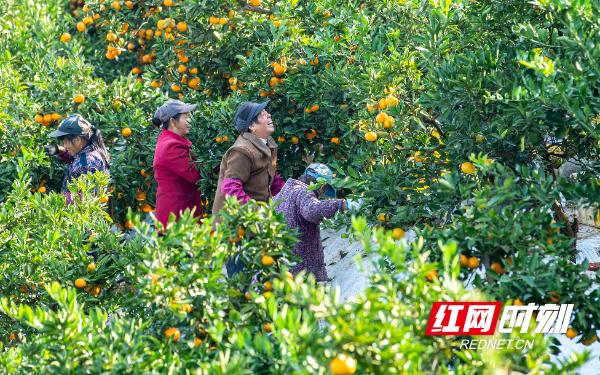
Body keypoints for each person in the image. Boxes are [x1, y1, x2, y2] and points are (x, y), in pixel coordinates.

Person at [212, 100, 285, 276]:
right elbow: (230, 188)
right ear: (252, 125)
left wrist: (288, 195)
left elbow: (272, 179)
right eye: (262, 114)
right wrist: (255, 212)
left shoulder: (266, 143)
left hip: (255, 221)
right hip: (235, 225)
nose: (268, 116)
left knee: (269, 273)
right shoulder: (242, 151)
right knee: (241, 280)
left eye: (267, 112)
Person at [273, 163, 349, 282]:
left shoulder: (280, 195)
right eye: (324, 190)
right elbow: (312, 210)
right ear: (322, 186)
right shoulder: (302, 192)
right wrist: (341, 205)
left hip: (284, 269)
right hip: (304, 273)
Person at [152, 99, 203, 229]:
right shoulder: (171, 146)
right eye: (186, 117)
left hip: (183, 213)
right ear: (173, 121)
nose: (190, 121)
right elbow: (195, 174)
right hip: (176, 217)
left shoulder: (174, 141)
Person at [44, 114, 110, 204]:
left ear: (77, 140)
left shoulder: (88, 162)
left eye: (65, 142)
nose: (65, 146)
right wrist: (59, 150)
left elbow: (82, 199)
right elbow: (77, 159)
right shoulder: (88, 153)